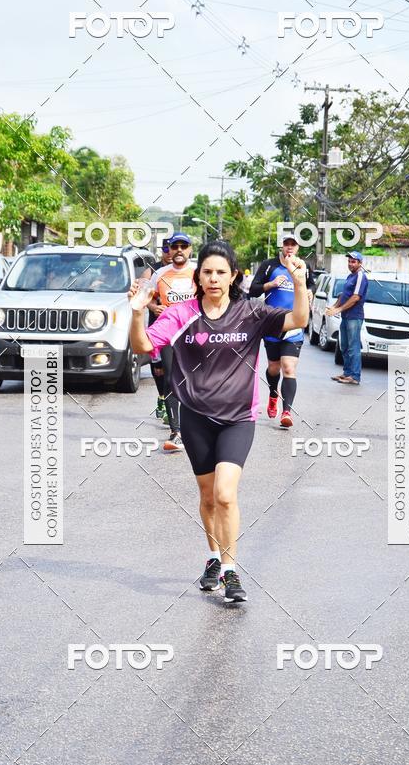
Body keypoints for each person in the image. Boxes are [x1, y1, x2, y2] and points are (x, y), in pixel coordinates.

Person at [129, 240, 309, 604]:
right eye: (207, 272)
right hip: (195, 416)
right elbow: (142, 347)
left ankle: (230, 568)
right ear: (199, 277)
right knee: (209, 497)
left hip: (238, 417)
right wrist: (135, 313)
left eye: (220, 272)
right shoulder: (182, 314)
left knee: (226, 494)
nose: (213, 278)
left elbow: (298, 320)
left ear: (233, 276)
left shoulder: (251, 313)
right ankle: (213, 557)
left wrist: (300, 283)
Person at [249, 235, 316, 427]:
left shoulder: (303, 267)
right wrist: (270, 285)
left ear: (298, 248)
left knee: (289, 367)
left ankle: (287, 412)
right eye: (286, 244)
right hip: (273, 323)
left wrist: (310, 289)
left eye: (293, 245)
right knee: (274, 368)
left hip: (294, 324)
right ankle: (272, 394)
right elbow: (252, 291)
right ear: (282, 247)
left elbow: (311, 283)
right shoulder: (269, 266)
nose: (289, 248)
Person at [148, 233, 197, 452]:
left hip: (194, 332)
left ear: (189, 250)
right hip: (168, 332)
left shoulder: (198, 272)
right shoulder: (160, 273)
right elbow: (146, 295)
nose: (178, 249)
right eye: (174, 246)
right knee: (170, 377)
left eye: (183, 246)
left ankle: (198, 426)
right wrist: (153, 307)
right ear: (169, 249)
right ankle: (176, 432)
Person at [326, 251, 369, 385]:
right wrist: (334, 307)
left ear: (360, 263)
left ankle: (355, 376)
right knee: (344, 345)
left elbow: (356, 297)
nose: (350, 264)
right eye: (349, 261)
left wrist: (338, 309)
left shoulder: (361, 276)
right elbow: (344, 295)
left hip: (354, 317)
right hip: (346, 317)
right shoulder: (351, 276)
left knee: (353, 346)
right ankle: (347, 373)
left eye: (353, 262)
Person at [148, 239, 172, 426]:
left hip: (177, 329)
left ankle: (170, 404)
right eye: (166, 249)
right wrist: (153, 307)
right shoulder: (153, 270)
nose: (170, 252)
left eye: (173, 248)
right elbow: (144, 295)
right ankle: (162, 396)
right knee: (158, 368)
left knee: (171, 368)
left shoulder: (185, 272)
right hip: (157, 325)